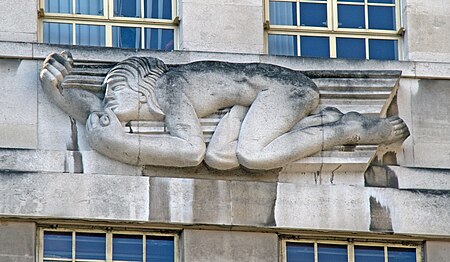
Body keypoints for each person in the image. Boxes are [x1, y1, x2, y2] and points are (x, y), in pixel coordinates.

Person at [40, 51, 409, 170]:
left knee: (251, 154)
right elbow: (93, 108)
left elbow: (189, 151)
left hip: (284, 90)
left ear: (138, 87)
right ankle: (319, 123)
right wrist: (54, 91)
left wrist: (116, 145)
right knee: (221, 157)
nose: (110, 103)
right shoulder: (151, 95)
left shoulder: (169, 89)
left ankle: (348, 129)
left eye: (114, 91)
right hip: (258, 99)